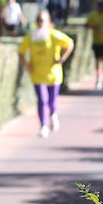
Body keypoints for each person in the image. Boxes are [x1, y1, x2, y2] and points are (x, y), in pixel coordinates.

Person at [18, 9, 74, 138]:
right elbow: (21, 52)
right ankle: (43, 126)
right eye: (38, 20)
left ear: (48, 22)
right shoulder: (31, 36)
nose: (40, 23)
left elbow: (70, 43)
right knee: (42, 100)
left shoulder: (53, 35)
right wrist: (27, 66)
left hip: (53, 74)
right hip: (37, 74)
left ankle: (53, 115)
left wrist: (62, 59)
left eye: (42, 20)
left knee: (52, 101)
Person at [84, 1, 103, 90]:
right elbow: (86, 25)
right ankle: (98, 79)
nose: (102, 9)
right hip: (96, 42)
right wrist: (93, 26)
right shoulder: (93, 15)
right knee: (97, 62)